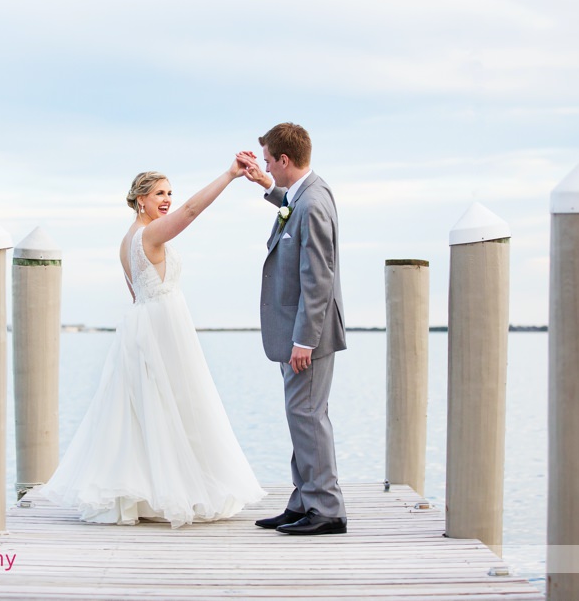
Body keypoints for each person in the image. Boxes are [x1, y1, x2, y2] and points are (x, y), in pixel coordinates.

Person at [39, 163, 266, 528]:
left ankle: (146, 490)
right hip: (164, 326)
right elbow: (192, 211)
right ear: (140, 199)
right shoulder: (151, 234)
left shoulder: (126, 240)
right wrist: (229, 176)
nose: (167, 199)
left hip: (142, 323)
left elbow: (134, 293)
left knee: (146, 409)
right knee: (175, 404)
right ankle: (173, 490)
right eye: (159, 193)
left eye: (169, 192)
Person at [237, 122, 348, 536]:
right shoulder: (304, 195)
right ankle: (304, 500)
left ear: (285, 159)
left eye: (268, 160)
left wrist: (304, 339)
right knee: (300, 415)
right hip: (297, 332)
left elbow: (318, 277)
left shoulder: (315, 202)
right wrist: (265, 184)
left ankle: (327, 509)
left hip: (308, 335)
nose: (266, 164)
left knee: (308, 415)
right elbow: (291, 207)